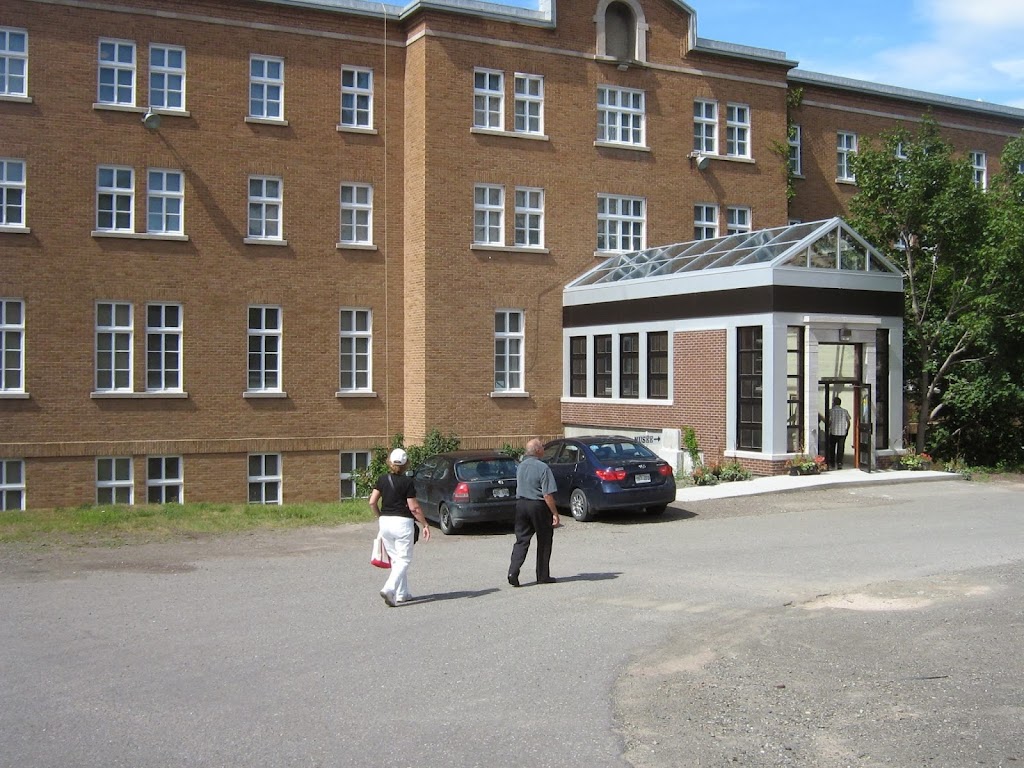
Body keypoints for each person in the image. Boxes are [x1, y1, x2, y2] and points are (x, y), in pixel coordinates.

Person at [369, 448, 430, 607]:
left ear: (389, 462)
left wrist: (380, 516)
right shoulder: (407, 482)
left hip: (385, 523)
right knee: (404, 559)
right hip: (403, 524)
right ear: (406, 465)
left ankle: (403, 594)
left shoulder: (382, 479)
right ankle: (389, 588)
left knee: (396, 559)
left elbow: (372, 502)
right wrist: (425, 524)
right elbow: (414, 508)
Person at [508, 438, 560, 587]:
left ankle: (513, 571)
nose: (544, 449)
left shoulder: (520, 466)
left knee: (521, 540)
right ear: (538, 450)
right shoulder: (543, 467)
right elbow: (547, 494)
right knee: (544, 539)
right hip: (537, 505)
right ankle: (543, 575)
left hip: (521, 504)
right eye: (542, 447)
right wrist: (555, 513)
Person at [826, 396, 852, 470]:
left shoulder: (831, 411)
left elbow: (829, 422)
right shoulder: (845, 411)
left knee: (832, 448)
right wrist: (847, 430)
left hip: (833, 432)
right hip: (842, 433)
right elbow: (848, 422)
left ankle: (832, 462)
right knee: (841, 448)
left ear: (834, 403)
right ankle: (839, 463)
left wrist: (829, 426)